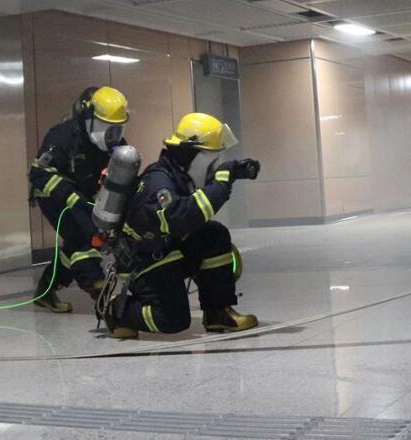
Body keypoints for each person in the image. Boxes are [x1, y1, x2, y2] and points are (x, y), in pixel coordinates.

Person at [102, 112, 260, 338]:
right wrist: (221, 183)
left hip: (168, 248)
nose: (214, 165)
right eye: (211, 159)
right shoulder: (159, 183)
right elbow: (181, 217)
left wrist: (233, 172)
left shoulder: (179, 174)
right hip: (144, 261)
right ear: (193, 155)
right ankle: (117, 312)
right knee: (173, 319)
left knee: (214, 234)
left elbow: (194, 209)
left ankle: (217, 313)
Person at [29, 86, 129, 313]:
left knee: (78, 242)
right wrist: (69, 195)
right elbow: (38, 174)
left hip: (83, 197)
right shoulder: (61, 137)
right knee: (83, 237)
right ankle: (98, 288)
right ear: (88, 119)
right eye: (107, 127)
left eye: (118, 128)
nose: (113, 135)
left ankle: (45, 291)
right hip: (54, 195)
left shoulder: (116, 144)